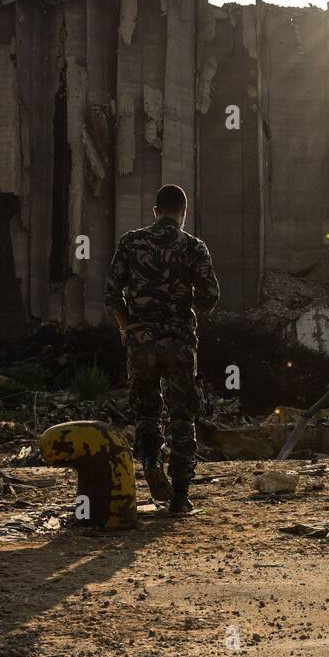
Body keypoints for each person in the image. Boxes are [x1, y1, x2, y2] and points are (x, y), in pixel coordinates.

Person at [103, 184, 220, 514]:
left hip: (141, 343)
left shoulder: (130, 242)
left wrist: (129, 328)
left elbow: (112, 296)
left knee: (146, 413)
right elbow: (211, 297)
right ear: (183, 214)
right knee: (182, 415)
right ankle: (181, 497)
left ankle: (151, 460)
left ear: (155, 212)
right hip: (180, 343)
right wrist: (182, 304)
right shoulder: (193, 247)